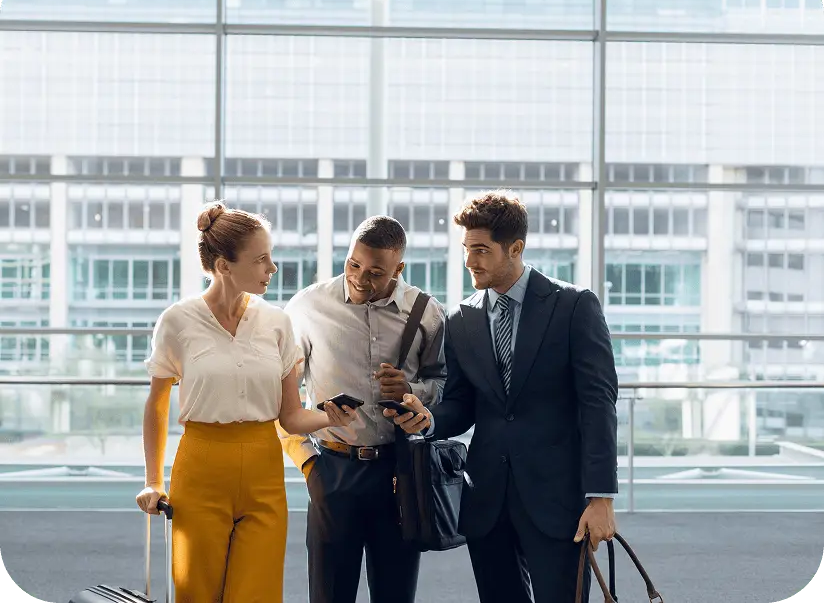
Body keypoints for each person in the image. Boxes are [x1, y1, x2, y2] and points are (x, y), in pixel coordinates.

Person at [386, 191, 619, 603]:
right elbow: (463, 404)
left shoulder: (573, 306)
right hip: (487, 500)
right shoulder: (462, 318)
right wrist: (430, 419)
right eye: (465, 249)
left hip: (558, 501)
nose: (469, 261)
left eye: (480, 250)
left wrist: (600, 497)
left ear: (515, 248)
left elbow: (598, 405)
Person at [136, 201, 356, 603]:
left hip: (264, 471)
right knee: (196, 593)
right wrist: (153, 481)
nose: (272, 269)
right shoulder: (178, 321)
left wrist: (328, 416)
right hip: (201, 466)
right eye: (261, 260)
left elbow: (289, 417)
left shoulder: (277, 323)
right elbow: (157, 405)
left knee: (256, 594)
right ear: (223, 265)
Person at [279, 215, 447, 603]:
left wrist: (412, 389)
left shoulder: (427, 313)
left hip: (400, 474)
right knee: (329, 595)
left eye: (375, 272)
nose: (359, 278)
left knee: (395, 594)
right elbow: (281, 398)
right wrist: (308, 465)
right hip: (332, 470)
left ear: (398, 269)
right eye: (354, 264)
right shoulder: (307, 307)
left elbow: (441, 384)